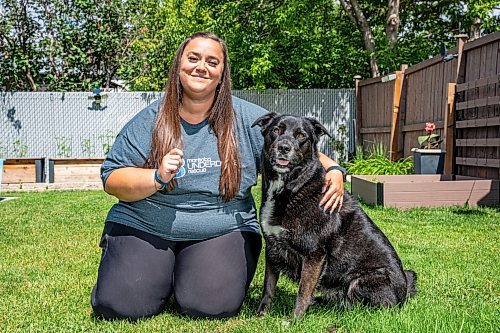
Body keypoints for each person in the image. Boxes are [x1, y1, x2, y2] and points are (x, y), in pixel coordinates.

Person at [91, 31, 345, 321]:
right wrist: (157, 177)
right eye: (193, 58)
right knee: (120, 306)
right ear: (179, 65)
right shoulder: (152, 118)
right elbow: (112, 178)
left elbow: (296, 144)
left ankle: (184, 274)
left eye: (212, 61)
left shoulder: (247, 118)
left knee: (210, 306)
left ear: (222, 74)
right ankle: (160, 270)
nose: (202, 67)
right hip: (148, 224)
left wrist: (335, 169)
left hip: (221, 228)